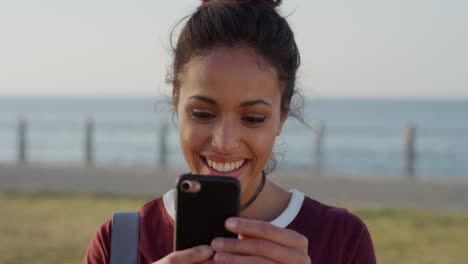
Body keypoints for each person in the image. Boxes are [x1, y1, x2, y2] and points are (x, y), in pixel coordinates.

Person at [84, 0, 377, 263]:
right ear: (176, 102)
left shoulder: (341, 240)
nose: (224, 143)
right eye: (202, 113)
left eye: (252, 118)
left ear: (282, 115)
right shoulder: (118, 244)